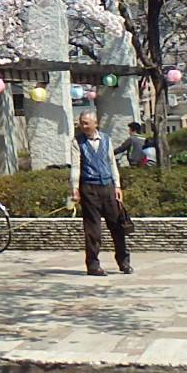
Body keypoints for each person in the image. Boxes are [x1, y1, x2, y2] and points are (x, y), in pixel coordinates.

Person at [71, 112, 132, 276]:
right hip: (89, 188)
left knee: (117, 227)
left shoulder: (105, 139)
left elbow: (112, 163)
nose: (83, 126)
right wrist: (75, 188)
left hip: (108, 187)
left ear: (95, 123)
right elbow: (76, 166)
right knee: (93, 230)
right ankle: (93, 265)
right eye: (81, 123)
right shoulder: (77, 141)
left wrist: (117, 186)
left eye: (86, 123)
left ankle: (124, 262)